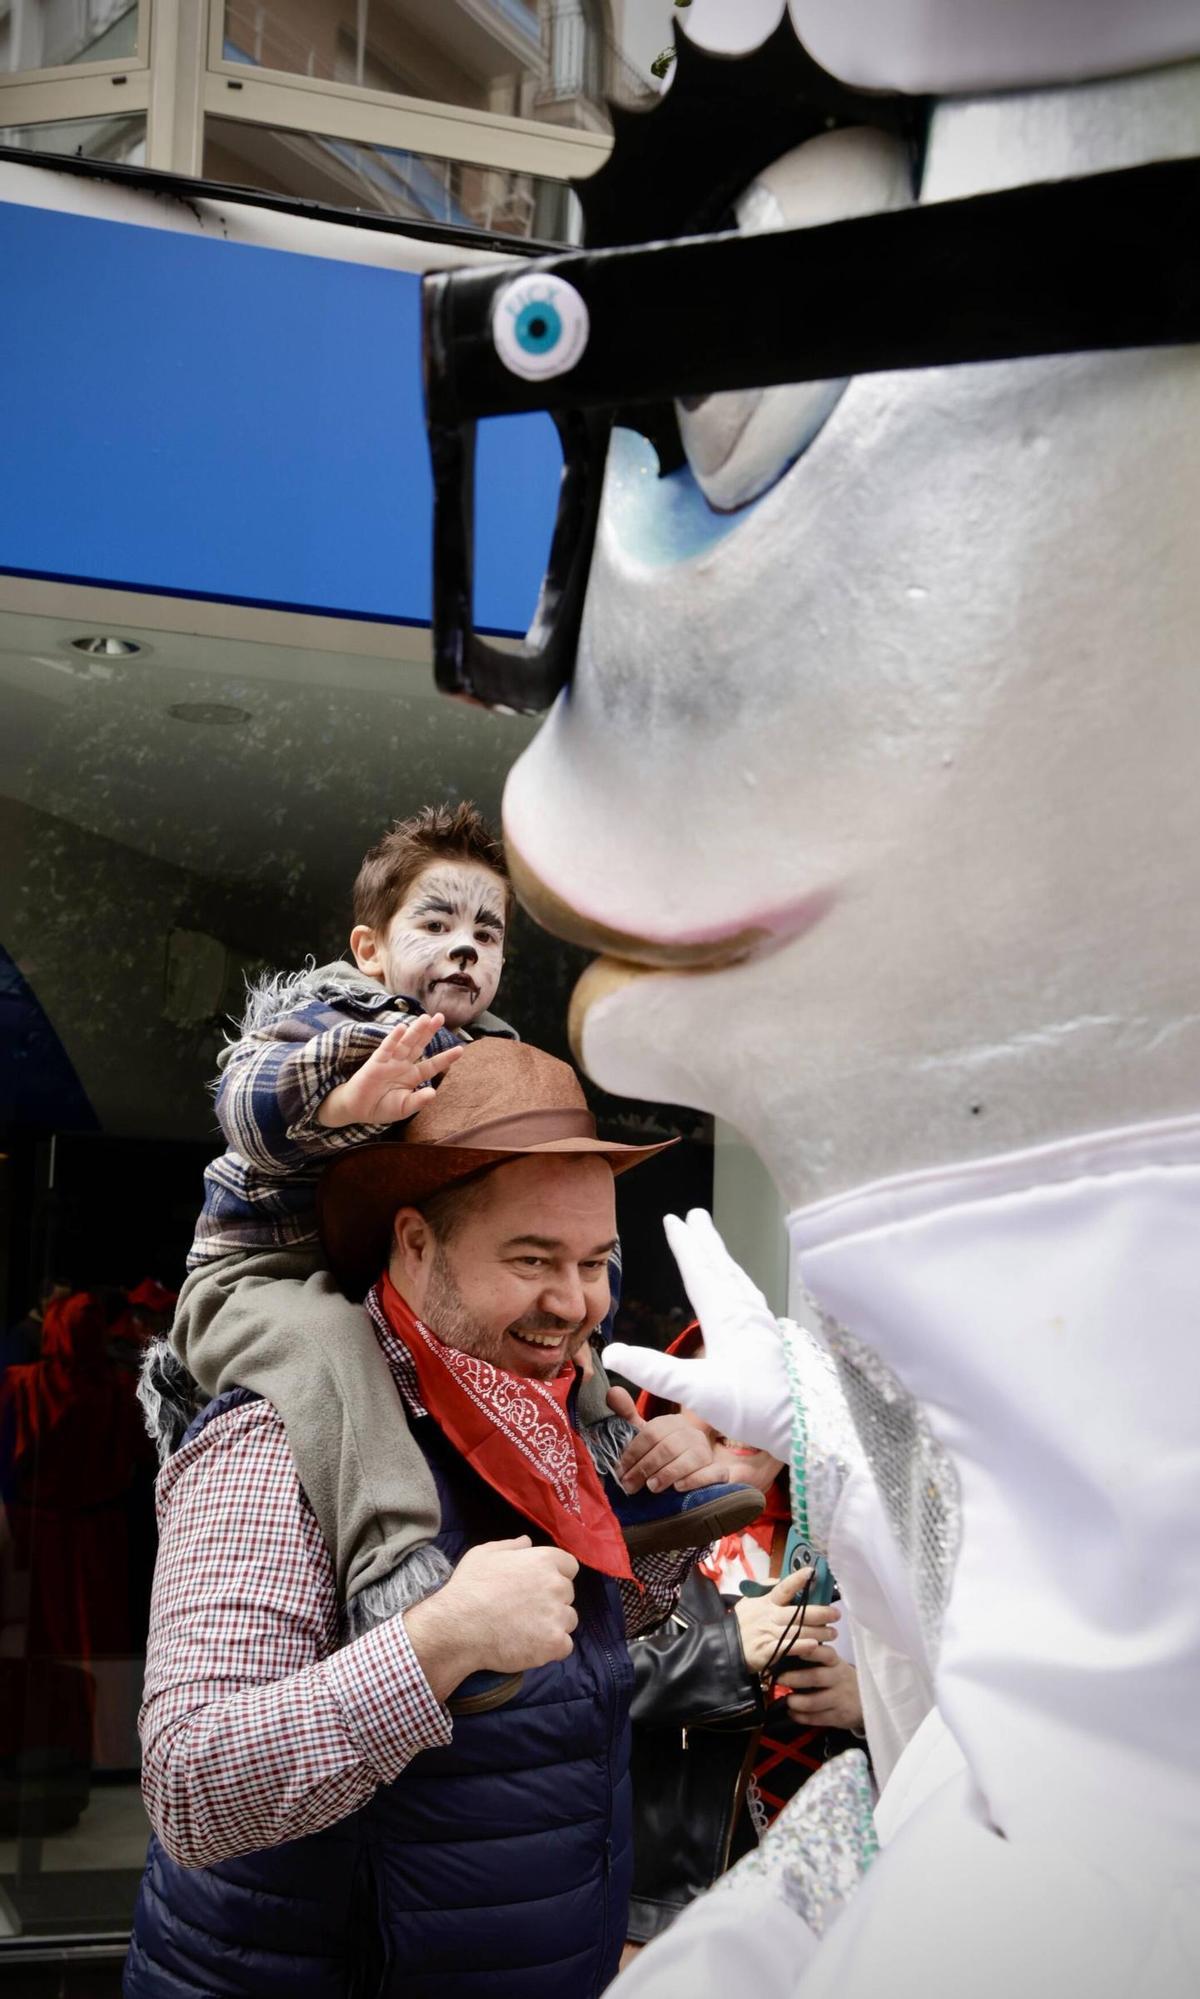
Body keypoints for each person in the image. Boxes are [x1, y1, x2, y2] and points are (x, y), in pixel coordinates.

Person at [125, 1040, 708, 1999]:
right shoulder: (278, 1436)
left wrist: (659, 1525)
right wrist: (433, 1642)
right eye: (532, 1259)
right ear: (415, 1244)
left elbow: (572, 1665)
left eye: (596, 1261)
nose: (575, 1304)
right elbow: (191, 1785)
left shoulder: (552, 1408)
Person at [161, 801, 759, 1633]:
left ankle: (615, 1478)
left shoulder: (495, 1057)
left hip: (368, 1275)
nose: (466, 945)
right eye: (436, 922)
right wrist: (340, 1098)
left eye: (489, 930)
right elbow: (243, 1101)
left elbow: (565, 1228)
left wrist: (587, 1326)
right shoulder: (337, 1022)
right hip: (265, 1280)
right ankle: (396, 1564)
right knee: (337, 1354)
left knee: (566, 1344)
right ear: (368, 949)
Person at [623, 1324, 861, 1961]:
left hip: (828, 1914)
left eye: (765, 1394)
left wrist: (871, 1707)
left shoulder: (856, 1548)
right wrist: (729, 1650)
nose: (742, 1413)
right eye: (717, 1389)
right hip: (661, 1920)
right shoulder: (615, 1532)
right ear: (671, 1400)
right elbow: (573, 1691)